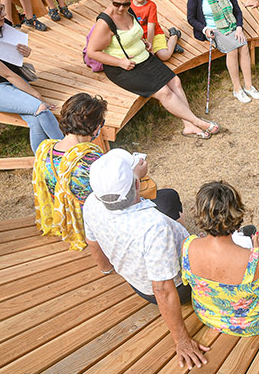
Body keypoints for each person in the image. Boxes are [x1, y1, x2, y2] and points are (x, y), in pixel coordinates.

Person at [82, 150, 208, 370]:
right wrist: (182, 341)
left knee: (167, 197)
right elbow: (162, 289)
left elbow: (92, 241)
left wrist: (105, 268)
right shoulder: (154, 226)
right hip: (180, 289)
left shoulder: (91, 202)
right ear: (137, 185)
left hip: (137, 284)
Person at [85, 0, 218, 138]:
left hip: (144, 58)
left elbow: (134, 31)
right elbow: (92, 52)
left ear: (130, 0)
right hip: (123, 68)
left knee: (175, 82)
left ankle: (188, 125)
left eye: (125, 4)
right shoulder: (105, 22)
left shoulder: (130, 11)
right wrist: (120, 62)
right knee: (164, 92)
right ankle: (198, 122)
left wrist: (143, 41)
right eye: (117, 4)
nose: (121, 8)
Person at [182, 181, 259, 337]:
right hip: (253, 323)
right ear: (236, 213)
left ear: (199, 213)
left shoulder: (188, 245)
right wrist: (257, 252)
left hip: (209, 317)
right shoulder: (257, 260)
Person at [0, 0, 62, 151]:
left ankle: (42, 165)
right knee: (41, 109)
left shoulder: (4, 25)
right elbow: (7, 74)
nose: (4, 14)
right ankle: (69, 153)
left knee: (35, 121)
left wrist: (24, 52)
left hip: (12, 80)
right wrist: (37, 96)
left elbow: (13, 62)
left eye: (2, 8)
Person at [32, 92, 107, 249]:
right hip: (91, 226)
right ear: (95, 128)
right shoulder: (92, 161)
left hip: (63, 219)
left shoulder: (45, 150)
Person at [187, 0, 259, 102]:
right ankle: (237, 89)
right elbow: (190, 18)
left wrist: (239, 27)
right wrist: (205, 29)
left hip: (230, 25)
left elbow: (237, 11)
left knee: (243, 46)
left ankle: (249, 86)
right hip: (212, 29)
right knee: (232, 49)